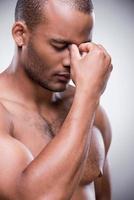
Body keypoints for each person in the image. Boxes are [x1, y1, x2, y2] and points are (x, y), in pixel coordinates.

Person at [0, 0, 113, 199]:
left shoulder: (92, 111)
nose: (72, 61)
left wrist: (87, 97)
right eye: (59, 45)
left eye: (80, 48)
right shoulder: (4, 113)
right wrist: (87, 95)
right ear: (20, 34)